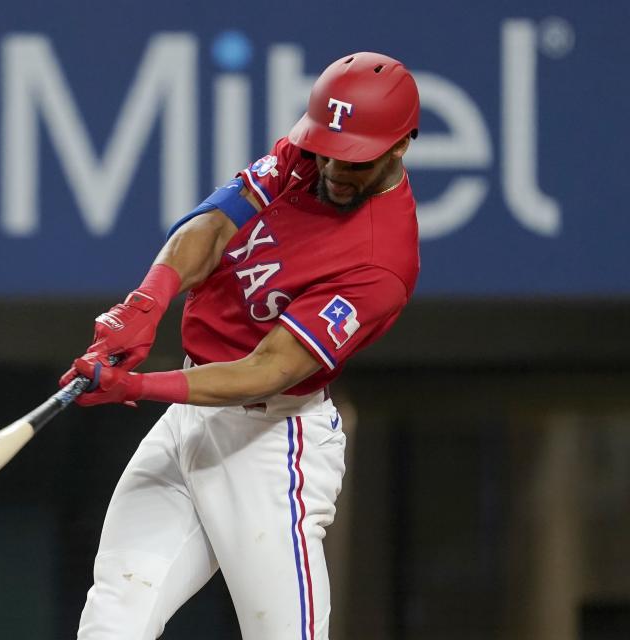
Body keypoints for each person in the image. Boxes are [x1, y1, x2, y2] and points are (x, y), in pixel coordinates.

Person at [60, 51, 421, 640]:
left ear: (400, 145)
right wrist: (147, 302)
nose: (332, 166)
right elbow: (214, 226)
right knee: (115, 614)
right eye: (326, 146)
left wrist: (138, 385)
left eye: (353, 157)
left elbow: (266, 370)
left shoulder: (382, 262)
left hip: (270, 442)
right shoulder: (309, 155)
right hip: (193, 418)